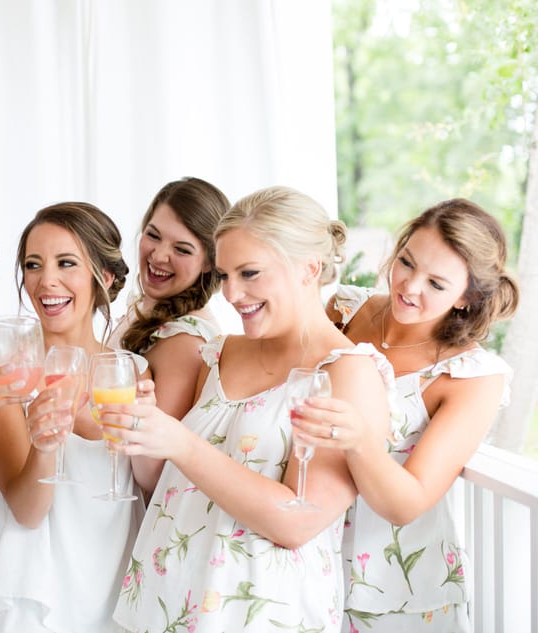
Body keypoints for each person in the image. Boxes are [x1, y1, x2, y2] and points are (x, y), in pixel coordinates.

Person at [106, 186, 394, 632]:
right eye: (224, 275)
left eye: (250, 273)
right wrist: (146, 431)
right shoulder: (221, 353)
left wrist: (181, 443)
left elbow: (299, 523)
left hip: (258, 611)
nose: (232, 293)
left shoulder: (348, 373)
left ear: (309, 269)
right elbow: (164, 482)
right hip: (166, 600)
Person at [291, 198, 519, 632]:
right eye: (406, 262)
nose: (409, 287)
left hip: (400, 594)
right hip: (307, 565)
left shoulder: (471, 376)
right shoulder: (344, 311)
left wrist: (359, 439)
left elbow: (406, 503)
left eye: (436, 283)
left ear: (467, 297)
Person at [0, 202, 146, 633]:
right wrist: (45, 445)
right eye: (33, 264)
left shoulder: (131, 370)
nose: (46, 281)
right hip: (34, 597)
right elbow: (26, 511)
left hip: (115, 584)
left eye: (67, 263)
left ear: (103, 277)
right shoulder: (2, 370)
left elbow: (150, 486)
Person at [109, 177, 230, 492]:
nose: (159, 255)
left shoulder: (185, 341)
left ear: (209, 263)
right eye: (153, 235)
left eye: (182, 249)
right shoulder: (145, 309)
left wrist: (140, 415)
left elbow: (155, 476)